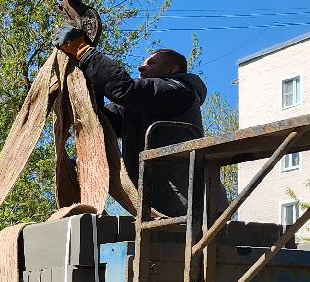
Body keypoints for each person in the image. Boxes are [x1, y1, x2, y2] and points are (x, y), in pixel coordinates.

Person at [55, 28, 226, 218]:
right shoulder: (138, 107)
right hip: (158, 207)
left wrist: (84, 52)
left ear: (172, 69)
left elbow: (124, 89)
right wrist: (88, 82)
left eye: (151, 63)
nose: (141, 67)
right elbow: (102, 123)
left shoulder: (179, 91)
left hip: (193, 206)